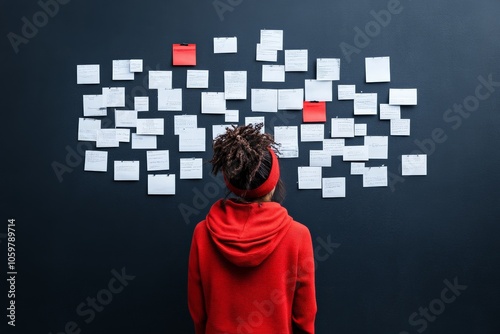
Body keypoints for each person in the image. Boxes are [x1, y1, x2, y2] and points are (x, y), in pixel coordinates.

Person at [188, 123, 317, 334]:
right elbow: (305, 313)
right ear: (274, 182)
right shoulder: (298, 234)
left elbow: (197, 309)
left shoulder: (202, 232)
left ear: (231, 182)